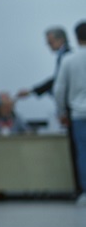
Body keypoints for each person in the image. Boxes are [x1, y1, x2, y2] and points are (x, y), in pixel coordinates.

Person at [19, 26, 80, 194]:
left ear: (60, 39)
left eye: (50, 42)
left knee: (78, 151)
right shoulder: (65, 55)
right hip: (73, 109)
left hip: (73, 109)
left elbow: (58, 83)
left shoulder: (68, 56)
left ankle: (81, 189)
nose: (48, 46)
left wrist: (33, 91)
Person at [54, 21, 86, 206]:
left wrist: (61, 111)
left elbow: (59, 89)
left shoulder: (69, 59)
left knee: (83, 153)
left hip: (78, 115)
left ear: (76, 37)